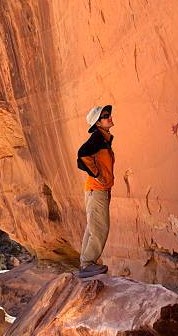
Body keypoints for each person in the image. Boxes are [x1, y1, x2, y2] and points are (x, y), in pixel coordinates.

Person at [75, 105, 115, 278]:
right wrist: (97, 174)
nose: (110, 117)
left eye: (108, 115)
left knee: (93, 227)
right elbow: (82, 154)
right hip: (96, 189)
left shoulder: (103, 138)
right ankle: (88, 263)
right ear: (98, 122)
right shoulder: (98, 137)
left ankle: (85, 263)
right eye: (106, 116)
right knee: (101, 227)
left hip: (97, 190)